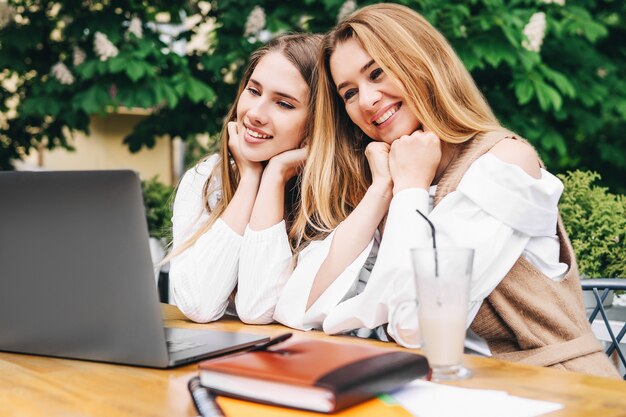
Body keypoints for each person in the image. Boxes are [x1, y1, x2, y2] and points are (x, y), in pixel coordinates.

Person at [274, 4, 619, 377]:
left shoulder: (504, 164)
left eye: (377, 73)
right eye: (349, 93)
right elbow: (294, 307)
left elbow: (414, 323)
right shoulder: (395, 178)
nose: (368, 100)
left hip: (558, 387)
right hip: (454, 387)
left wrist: (409, 190)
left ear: (420, 64)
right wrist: (384, 189)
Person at [167, 33, 322, 324]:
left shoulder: (332, 197)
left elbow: (258, 308)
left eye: (284, 104)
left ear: (317, 122)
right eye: (253, 91)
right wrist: (251, 178)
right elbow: (197, 303)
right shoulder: (206, 179)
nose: (255, 113)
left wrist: (274, 177)